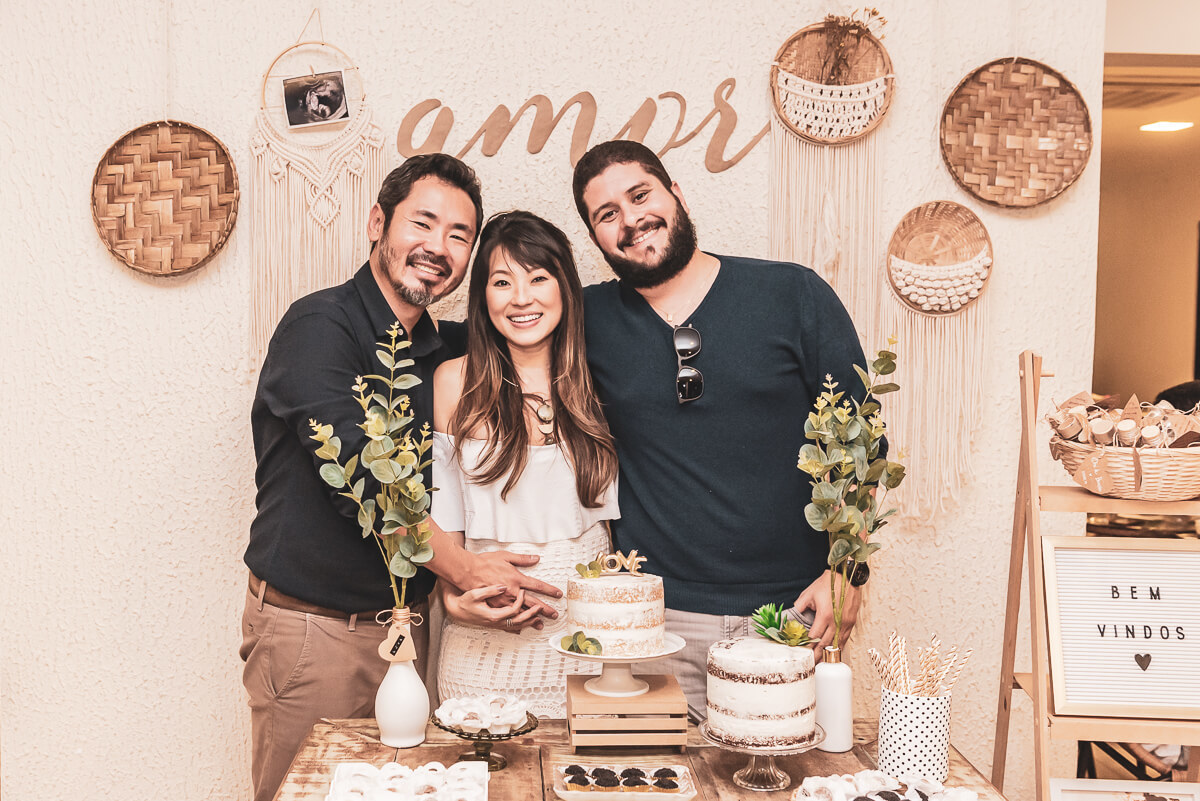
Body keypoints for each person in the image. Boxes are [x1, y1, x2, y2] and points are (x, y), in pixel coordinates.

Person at [240, 155, 555, 801]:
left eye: (460, 236)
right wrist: (467, 569)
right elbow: (367, 478)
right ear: (377, 223)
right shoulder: (318, 327)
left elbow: (535, 323)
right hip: (317, 631)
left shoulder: (443, 351)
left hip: (410, 629)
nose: (438, 248)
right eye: (424, 223)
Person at [571, 140, 873, 718]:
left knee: (777, 778)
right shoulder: (586, 319)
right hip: (656, 623)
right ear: (595, 238)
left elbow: (863, 443)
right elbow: (493, 338)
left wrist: (847, 570)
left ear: (676, 194)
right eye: (607, 215)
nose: (631, 220)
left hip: (793, 614)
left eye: (640, 196)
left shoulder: (791, 294)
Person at [431, 211, 620, 716]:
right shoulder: (454, 382)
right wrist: (454, 601)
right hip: (482, 647)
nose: (521, 298)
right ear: (482, 296)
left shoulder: (601, 383)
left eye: (538, 278)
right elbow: (445, 525)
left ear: (565, 288)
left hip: (591, 644)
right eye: (501, 281)